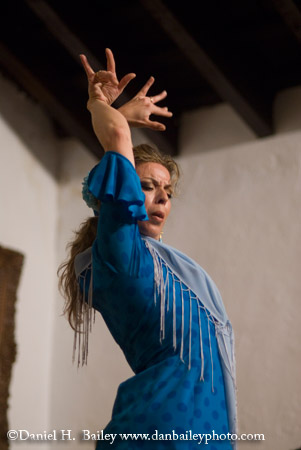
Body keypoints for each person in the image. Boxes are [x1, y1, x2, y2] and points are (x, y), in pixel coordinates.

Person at [58, 49, 237, 449]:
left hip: (201, 432)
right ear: (117, 193)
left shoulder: (172, 270)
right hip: (160, 432)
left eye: (167, 191)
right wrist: (101, 106)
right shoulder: (122, 256)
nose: (160, 198)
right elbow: (117, 140)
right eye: (145, 186)